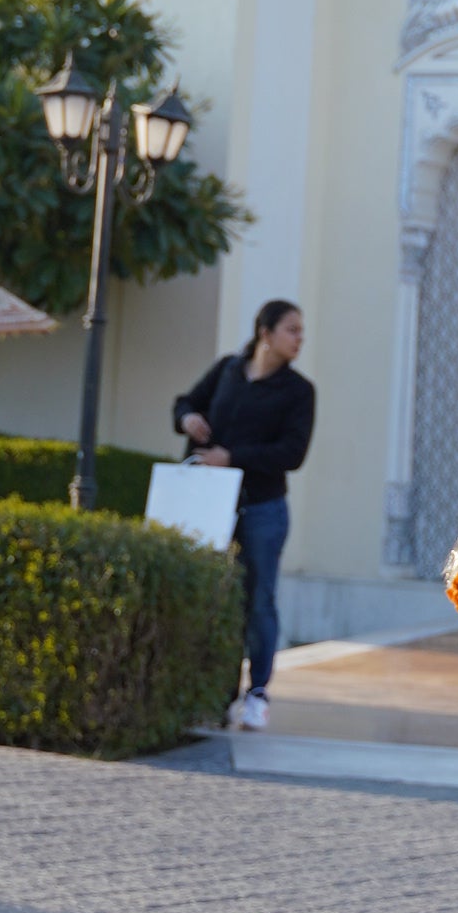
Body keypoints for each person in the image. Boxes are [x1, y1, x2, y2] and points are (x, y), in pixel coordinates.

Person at [174, 300, 313, 730]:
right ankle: (216, 695)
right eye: (291, 329)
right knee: (216, 597)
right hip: (213, 503)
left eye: (300, 331)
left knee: (259, 601)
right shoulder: (228, 370)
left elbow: (292, 453)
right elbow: (185, 402)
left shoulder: (298, 391)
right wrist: (188, 419)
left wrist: (231, 457)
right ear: (265, 333)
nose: (299, 338)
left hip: (262, 508)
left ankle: (258, 693)